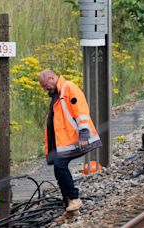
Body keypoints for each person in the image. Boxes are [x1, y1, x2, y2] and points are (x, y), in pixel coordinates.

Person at [39, 69, 102, 216]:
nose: (44, 88)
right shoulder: (58, 94)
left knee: (60, 166)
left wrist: (84, 135)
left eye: (45, 84)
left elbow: (80, 112)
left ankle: (73, 198)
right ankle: (69, 204)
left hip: (75, 139)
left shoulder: (68, 88)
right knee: (58, 167)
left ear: (51, 77)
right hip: (65, 141)